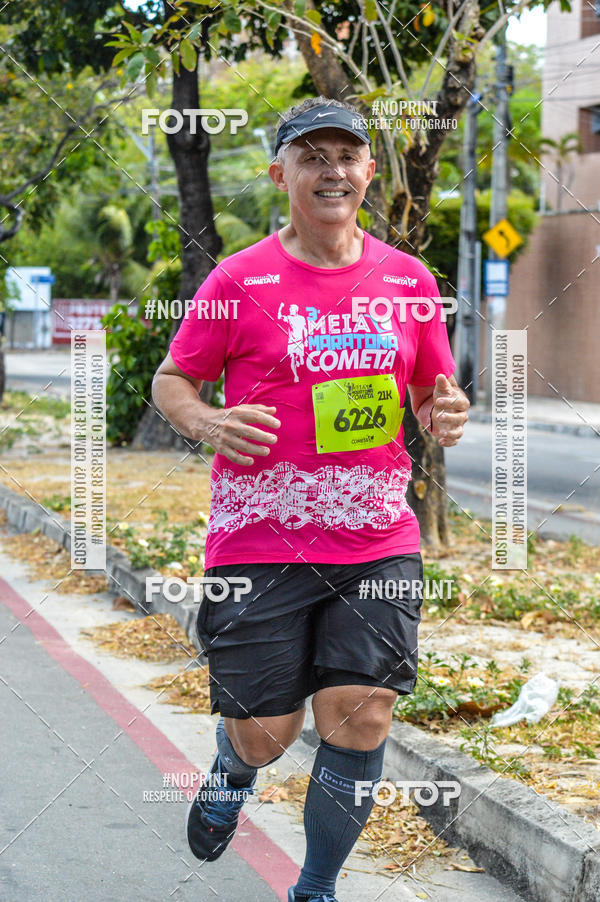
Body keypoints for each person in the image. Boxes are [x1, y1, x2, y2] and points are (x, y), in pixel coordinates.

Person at [152, 96, 470, 902]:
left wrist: (445, 411)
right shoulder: (241, 278)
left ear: (369, 171)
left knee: (359, 716)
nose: (333, 170)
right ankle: (232, 770)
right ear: (280, 172)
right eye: (312, 156)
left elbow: (433, 391)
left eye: (348, 156)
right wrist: (208, 421)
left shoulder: (407, 280)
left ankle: (317, 888)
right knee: (266, 733)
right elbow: (172, 380)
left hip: (376, 539)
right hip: (260, 540)